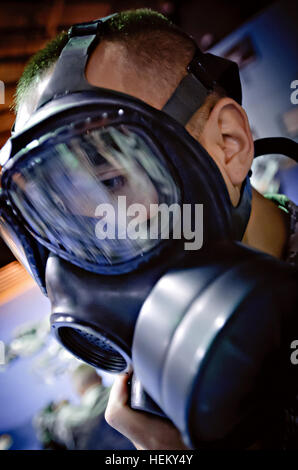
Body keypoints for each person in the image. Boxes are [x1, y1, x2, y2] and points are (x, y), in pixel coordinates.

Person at [8, 8, 298, 449]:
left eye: (112, 181)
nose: (101, 240)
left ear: (229, 143)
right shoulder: (148, 412)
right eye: (64, 217)